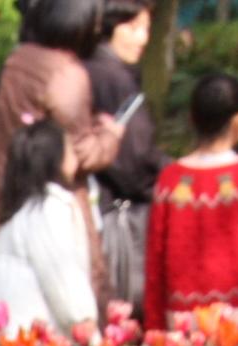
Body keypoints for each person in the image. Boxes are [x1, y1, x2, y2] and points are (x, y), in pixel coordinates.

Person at [0, 0, 123, 308]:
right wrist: (110, 136)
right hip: (45, 204)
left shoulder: (18, 59)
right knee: (51, 304)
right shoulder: (66, 73)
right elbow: (80, 154)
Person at [143, 72, 238, 330]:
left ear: (191, 119)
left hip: (184, 316)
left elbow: (155, 260)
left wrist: (154, 324)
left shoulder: (169, 181)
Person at [0, 114, 97, 328]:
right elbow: (59, 270)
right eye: (68, 147)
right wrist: (82, 318)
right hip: (29, 327)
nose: (74, 153)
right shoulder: (49, 208)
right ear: (54, 157)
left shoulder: (16, 211)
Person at [85, 0, 159, 314]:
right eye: (133, 27)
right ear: (108, 26)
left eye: (146, 29)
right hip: (114, 213)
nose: (143, 38)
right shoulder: (113, 79)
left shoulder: (84, 67)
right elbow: (134, 165)